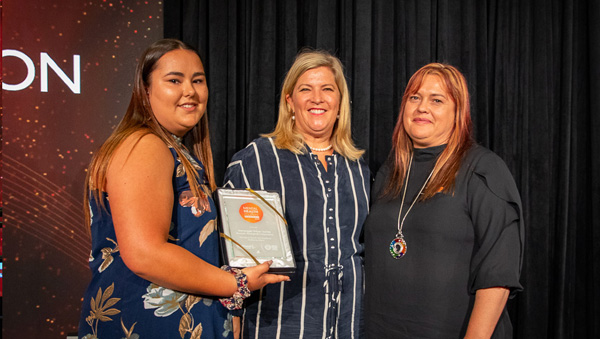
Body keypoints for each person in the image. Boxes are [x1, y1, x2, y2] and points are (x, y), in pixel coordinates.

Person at [78, 39, 288, 339]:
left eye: (198, 81)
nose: (190, 90)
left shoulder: (174, 150)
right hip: (145, 326)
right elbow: (144, 253)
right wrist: (235, 284)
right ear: (145, 89)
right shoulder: (144, 145)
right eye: (174, 80)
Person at [364, 63, 524, 338]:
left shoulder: (482, 170)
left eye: (436, 100)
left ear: (458, 113)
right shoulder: (390, 171)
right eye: (415, 97)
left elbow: (497, 276)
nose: (422, 107)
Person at [223, 49, 370, 338]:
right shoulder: (257, 160)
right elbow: (231, 254)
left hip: (350, 326)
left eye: (327, 89)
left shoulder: (358, 167)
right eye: (306, 89)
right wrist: (234, 314)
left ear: (340, 102)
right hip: (280, 325)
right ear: (290, 101)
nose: (317, 98)